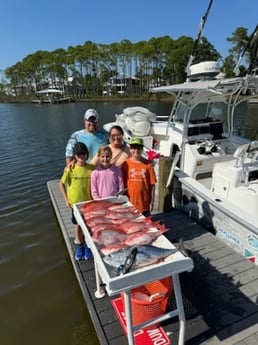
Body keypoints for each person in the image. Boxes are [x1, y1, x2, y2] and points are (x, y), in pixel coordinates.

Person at [59, 142, 95, 261]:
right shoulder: (71, 169)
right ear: (74, 156)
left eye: (83, 154)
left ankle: (88, 245)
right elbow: (61, 184)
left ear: (87, 154)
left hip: (89, 204)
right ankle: (80, 246)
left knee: (89, 225)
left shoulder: (91, 168)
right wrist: (66, 200)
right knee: (77, 225)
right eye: (78, 154)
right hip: (75, 204)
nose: (81, 156)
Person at [121, 137, 156, 216]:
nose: (136, 150)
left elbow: (152, 185)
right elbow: (122, 184)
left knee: (145, 226)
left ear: (142, 149)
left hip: (145, 204)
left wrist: (152, 202)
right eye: (133, 148)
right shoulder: (125, 164)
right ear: (129, 149)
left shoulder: (148, 165)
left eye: (139, 148)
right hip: (130, 203)